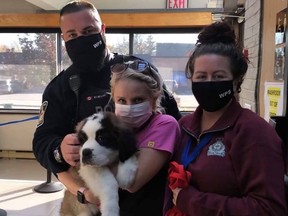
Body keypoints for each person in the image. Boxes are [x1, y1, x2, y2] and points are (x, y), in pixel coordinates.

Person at [32, 0, 181, 208]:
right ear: (63, 38)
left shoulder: (138, 70)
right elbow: (41, 141)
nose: (81, 39)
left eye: (88, 30)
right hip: (90, 200)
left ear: (102, 30)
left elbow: (174, 122)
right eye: (72, 35)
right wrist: (59, 149)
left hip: (147, 198)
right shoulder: (60, 88)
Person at [165, 22, 288, 216]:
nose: (209, 83)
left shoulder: (254, 132)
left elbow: (269, 209)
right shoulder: (183, 127)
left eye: (218, 76)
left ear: (236, 80)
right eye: (201, 76)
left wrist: (189, 200)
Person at [110, 59, 180, 215]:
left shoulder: (164, 125)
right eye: (121, 100)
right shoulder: (114, 128)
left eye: (138, 100)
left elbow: (131, 182)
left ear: (154, 101)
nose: (129, 108)